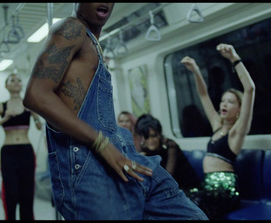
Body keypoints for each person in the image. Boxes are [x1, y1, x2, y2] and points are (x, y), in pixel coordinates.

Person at [23, 3, 208, 220]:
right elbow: (36, 95)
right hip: (90, 168)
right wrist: (102, 143)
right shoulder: (72, 29)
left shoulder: (93, 44)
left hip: (125, 158)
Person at [181, 43, 255, 220]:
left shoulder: (237, 132)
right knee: (177, 198)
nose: (224, 104)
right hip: (208, 187)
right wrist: (196, 71)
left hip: (224, 189)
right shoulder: (217, 126)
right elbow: (204, 95)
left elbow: (250, 89)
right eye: (223, 100)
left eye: (230, 102)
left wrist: (234, 58)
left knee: (191, 208)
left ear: (239, 110)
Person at [0, 73, 42, 220]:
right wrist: (3, 119)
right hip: (9, 152)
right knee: (11, 193)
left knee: (27, 194)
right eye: (12, 80)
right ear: (6, 86)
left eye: (19, 80)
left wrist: (35, 115)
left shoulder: (28, 104)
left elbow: (40, 127)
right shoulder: (1, 106)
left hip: (26, 150)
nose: (16, 83)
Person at [135, 114, 200, 193]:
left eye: (154, 136)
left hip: (185, 189)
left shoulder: (171, 147)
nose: (151, 140)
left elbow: (168, 178)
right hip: (165, 190)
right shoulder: (145, 151)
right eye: (147, 137)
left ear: (159, 135)